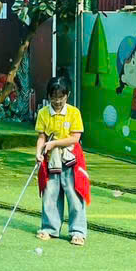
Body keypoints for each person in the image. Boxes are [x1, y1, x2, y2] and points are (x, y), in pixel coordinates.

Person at [34, 75, 90, 245]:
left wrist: (54, 143)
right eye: (53, 97)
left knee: (74, 195)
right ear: (48, 96)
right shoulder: (43, 113)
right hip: (51, 159)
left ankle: (78, 232)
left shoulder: (74, 112)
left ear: (68, 95)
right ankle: (49, 229)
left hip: (71, 160)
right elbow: (41, 137)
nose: (57, 101)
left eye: (61, 97)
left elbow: (75, 138)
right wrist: (38, 153)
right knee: (50, 194)